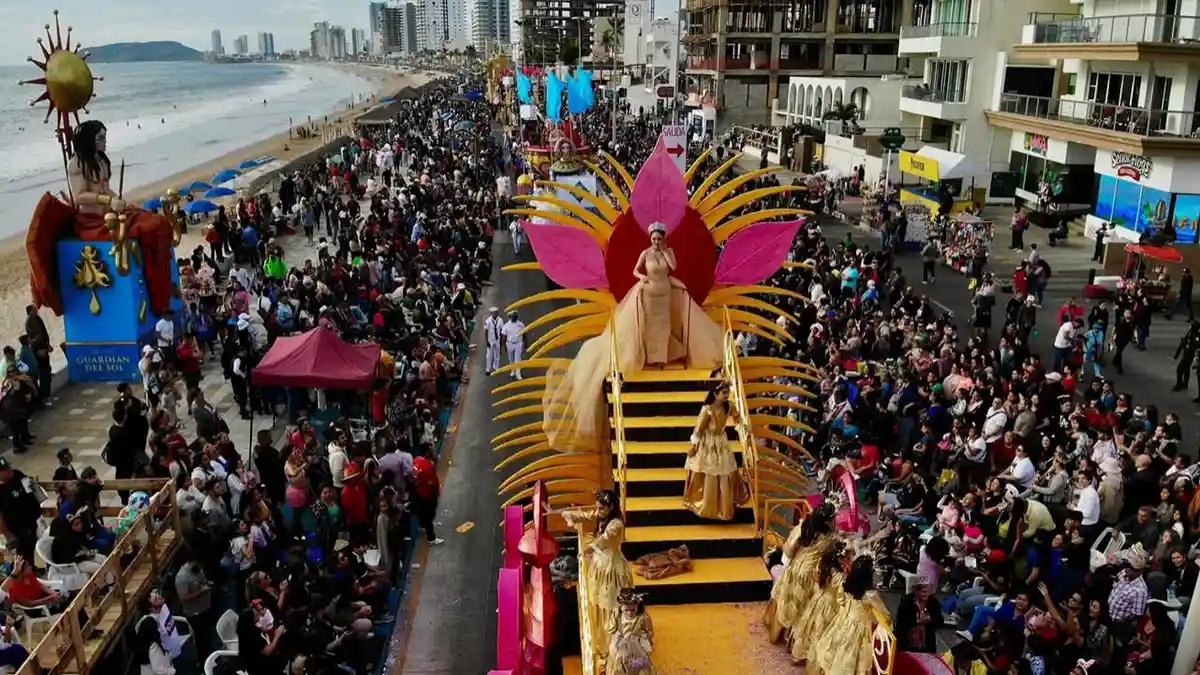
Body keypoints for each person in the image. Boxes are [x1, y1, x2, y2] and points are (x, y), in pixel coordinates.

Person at [550, 490, 634, 661]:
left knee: (611, 605)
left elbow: (604, 541)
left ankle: (615, 643)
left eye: (601, 508)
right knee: (601, 604)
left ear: (611, 507)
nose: (598, 511)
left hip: (612, 568)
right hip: (602, 564)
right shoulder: (604, 516)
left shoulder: (616, 524)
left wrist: (588, 551)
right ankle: (605, 640)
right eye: (598, 508)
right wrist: (559, 513)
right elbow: (585, 516)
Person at [808, 554, 891, 675]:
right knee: (850, 657)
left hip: (842, 620)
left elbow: (840, 600)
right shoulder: (870, 594)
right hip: (858, 627)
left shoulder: (846, 584)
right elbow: (885, 614)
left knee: (835, 649)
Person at [682, 382, 746, 520]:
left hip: (721, 441)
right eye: (723, 393)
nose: (726, 396)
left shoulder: (729, 406)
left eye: (727, 393)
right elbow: (699, 430)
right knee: (709, 470)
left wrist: (742, 426)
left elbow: (737, 417)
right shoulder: (707, 409)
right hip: (708, 443)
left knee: (724, 469)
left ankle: (723, 505)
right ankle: (708, 505)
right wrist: (693, 446)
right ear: (715, 394)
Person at [606, 588, 655, 675]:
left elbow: (649, 632)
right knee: (619, 664)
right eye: (626, 610)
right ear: (621, 608)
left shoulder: (642, 617)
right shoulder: (617, 614)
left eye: (633, 610)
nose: (629, 613)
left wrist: (642, 637)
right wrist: (619, 640)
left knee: (639, 666)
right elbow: (612, 630)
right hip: (621, 647)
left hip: (636, 648)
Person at [412, 444, 445, 546]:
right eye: (431, 450)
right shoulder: (427, 466)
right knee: (429, 516)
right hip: (428, 495)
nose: (433, 451)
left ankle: (422, 526)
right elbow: (433, 483)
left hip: (419, 491)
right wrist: (436, 493)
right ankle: (431, 538)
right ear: (426, 452)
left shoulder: (416, 460)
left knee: (422, 511)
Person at [502, 310, 525, 380]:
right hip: (510, 344)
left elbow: (524, 333)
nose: (514, 317)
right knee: (511, 359)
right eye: (513, 316)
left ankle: (518, 374)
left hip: (518, 343)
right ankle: (513, 370)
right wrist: (504, 346)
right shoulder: (506, 325)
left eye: (515, 316)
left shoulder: (520, 324)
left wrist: (525, 343)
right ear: (510, 317)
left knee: (517, 359)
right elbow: (504, 336)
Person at [483, 306, 503, 375]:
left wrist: (501, 340)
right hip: (490, 340)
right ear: (491, 313)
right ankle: (488, 369)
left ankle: (496, 367)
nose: (496, 314)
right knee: (489, 355)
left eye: (496, 313)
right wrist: (487, 341)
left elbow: (501, 330)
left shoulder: (500, 320)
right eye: (494, 313)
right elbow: (485, 331)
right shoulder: (488, 321)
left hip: (497, 339)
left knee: (497, 354)